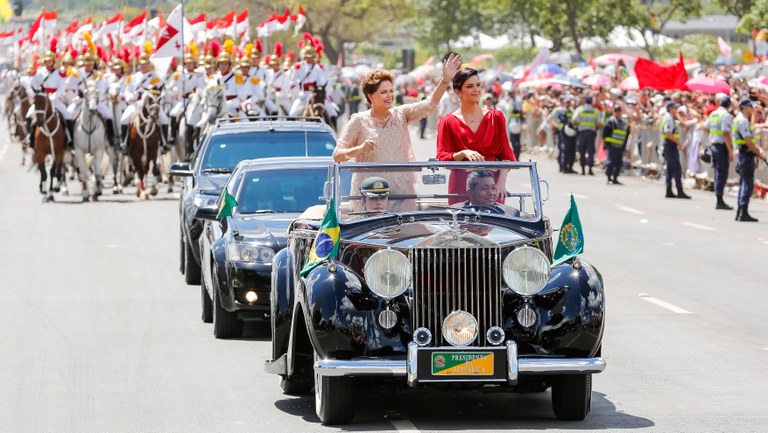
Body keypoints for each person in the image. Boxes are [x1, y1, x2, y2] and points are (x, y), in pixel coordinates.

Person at [332, 53, 461, 211]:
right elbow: (337, 155)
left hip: (401, 195)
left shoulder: (401, 114)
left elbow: (429, 105)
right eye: (383, 92)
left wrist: (445, 80)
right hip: (371, 196)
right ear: (370, 96)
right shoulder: (358, 121)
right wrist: (359, 149)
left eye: (391, 91)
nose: (389, 96)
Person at [435, 67, 517, 204]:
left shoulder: (495, 117)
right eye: (470, 86)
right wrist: (462, 153)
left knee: (495, 224)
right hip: (461, 186)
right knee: (461, 224)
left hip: (492, 185)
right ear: (458, 92)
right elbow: (442, 157)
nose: (476, 90)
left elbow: (506, 155)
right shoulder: (447, 121)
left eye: (478, 85)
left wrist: (501, 183)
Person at [732, 99, 767, 222]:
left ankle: (740, 211)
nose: (752, 108)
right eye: (750, 106)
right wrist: (759, 152)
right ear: (744, 107)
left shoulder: (739, 119)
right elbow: (748, 141)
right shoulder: (742, 121)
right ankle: (743, 211)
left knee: (744, 182)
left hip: (744, 153)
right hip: (746, 154)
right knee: (747, 183)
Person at [707, 96, 734, 210]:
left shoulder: (713, 113)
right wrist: (730, 150)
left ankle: (719, 198)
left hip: (714, 145)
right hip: (721, 147)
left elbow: (705, 126)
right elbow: (726, 133)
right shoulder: (725, 115)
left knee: (718, 173)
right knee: (722, 173)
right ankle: (720, 200)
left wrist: (712, 137)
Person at [661, 101, 691, 199]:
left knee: (670, 169)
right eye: (674, 108)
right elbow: (668, 133)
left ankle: (669, 190)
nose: (676, 110)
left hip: (670, 145)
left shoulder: (671, 118)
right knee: (676, 168)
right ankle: (679, 190)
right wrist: (679, 143)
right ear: (670, 109)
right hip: (670, 145)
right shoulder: (669, 118)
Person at [572, 95, 601, 175]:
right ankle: (590, 169)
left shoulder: (580, 110)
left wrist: (579, 124)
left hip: (582, 133)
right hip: (591, 133)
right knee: (591, 151)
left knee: (582, 151)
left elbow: (574, 120)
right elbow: (599, 123)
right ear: (592, 102)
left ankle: (583, 169)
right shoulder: (596, 111)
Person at [603, 103, 630, 185]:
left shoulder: (624, 123)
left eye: (619, 111)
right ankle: (608, 178)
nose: (617, 113)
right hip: (612, 145)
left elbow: (626, 135)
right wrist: (607, 144)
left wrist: (624, 146)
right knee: (610, 162)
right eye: (616, 111)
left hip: (620, 146)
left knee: (618, 163)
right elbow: (605, 134)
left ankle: (615, 178)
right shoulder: (610, 121)